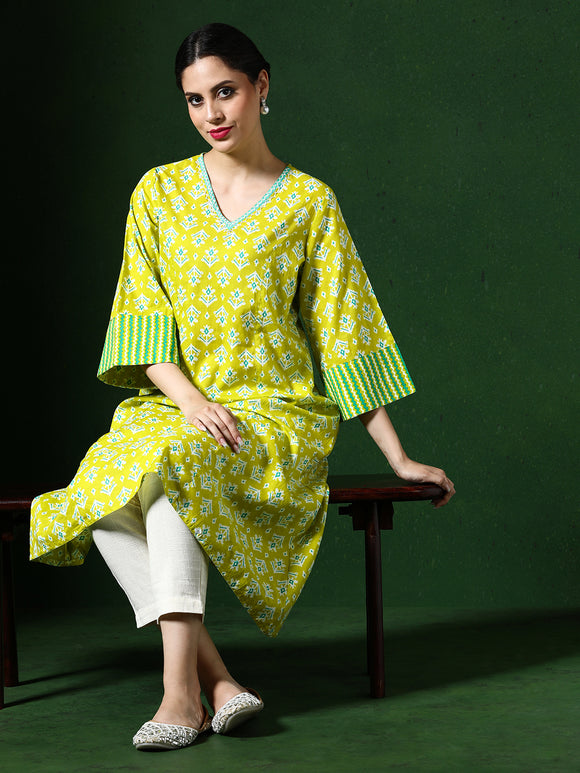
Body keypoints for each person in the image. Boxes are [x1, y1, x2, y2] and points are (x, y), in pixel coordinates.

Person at [30, 22, 455, 752]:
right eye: (195, 100)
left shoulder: (309, 204)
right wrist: (193, 401)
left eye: (225, 92)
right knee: (101, 492)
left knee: (174, 466)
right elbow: (141, 326)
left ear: (262, 85)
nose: (212, 113)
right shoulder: (158, 193)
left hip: (274, 414)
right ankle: (219, 682)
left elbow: (345, 335)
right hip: (178, 403)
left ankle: (178, 696)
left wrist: (398, 457)